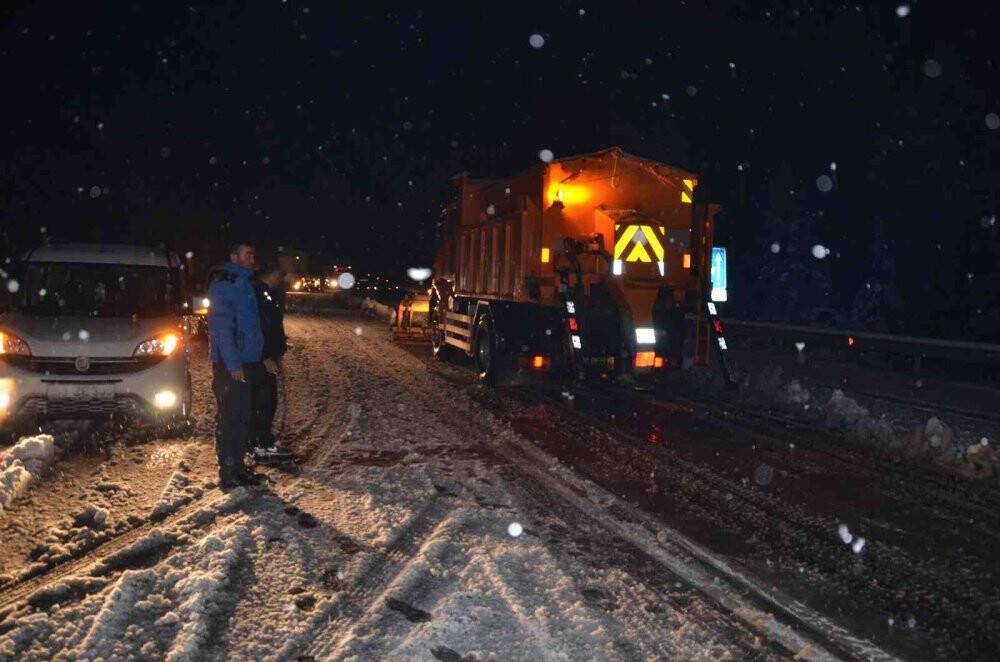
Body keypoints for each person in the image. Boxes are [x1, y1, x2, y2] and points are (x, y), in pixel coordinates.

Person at [207, 242, 266, 488]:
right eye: (247, 254)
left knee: (243, 416)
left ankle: (238, 467)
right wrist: (233, 364)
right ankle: (229, 470)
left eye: (253, 254)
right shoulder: (225, 285)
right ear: (234, 257)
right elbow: (222, 329)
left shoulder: (245, 283)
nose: (252, 258)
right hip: (231, 364)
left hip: (247, 361)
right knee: (231, 417)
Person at [249, 265, 292, 462]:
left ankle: (262, 441)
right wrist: (265, 355)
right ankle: (261, 444)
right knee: (264, 402)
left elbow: (271, 324)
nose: (279, 281)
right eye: (278, 277)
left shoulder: (265, 292)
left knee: (267, 401)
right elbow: (257, 328)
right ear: (271, 274)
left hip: (266, 355)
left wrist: (279, 343)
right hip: (261, 359)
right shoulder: (257, 293)